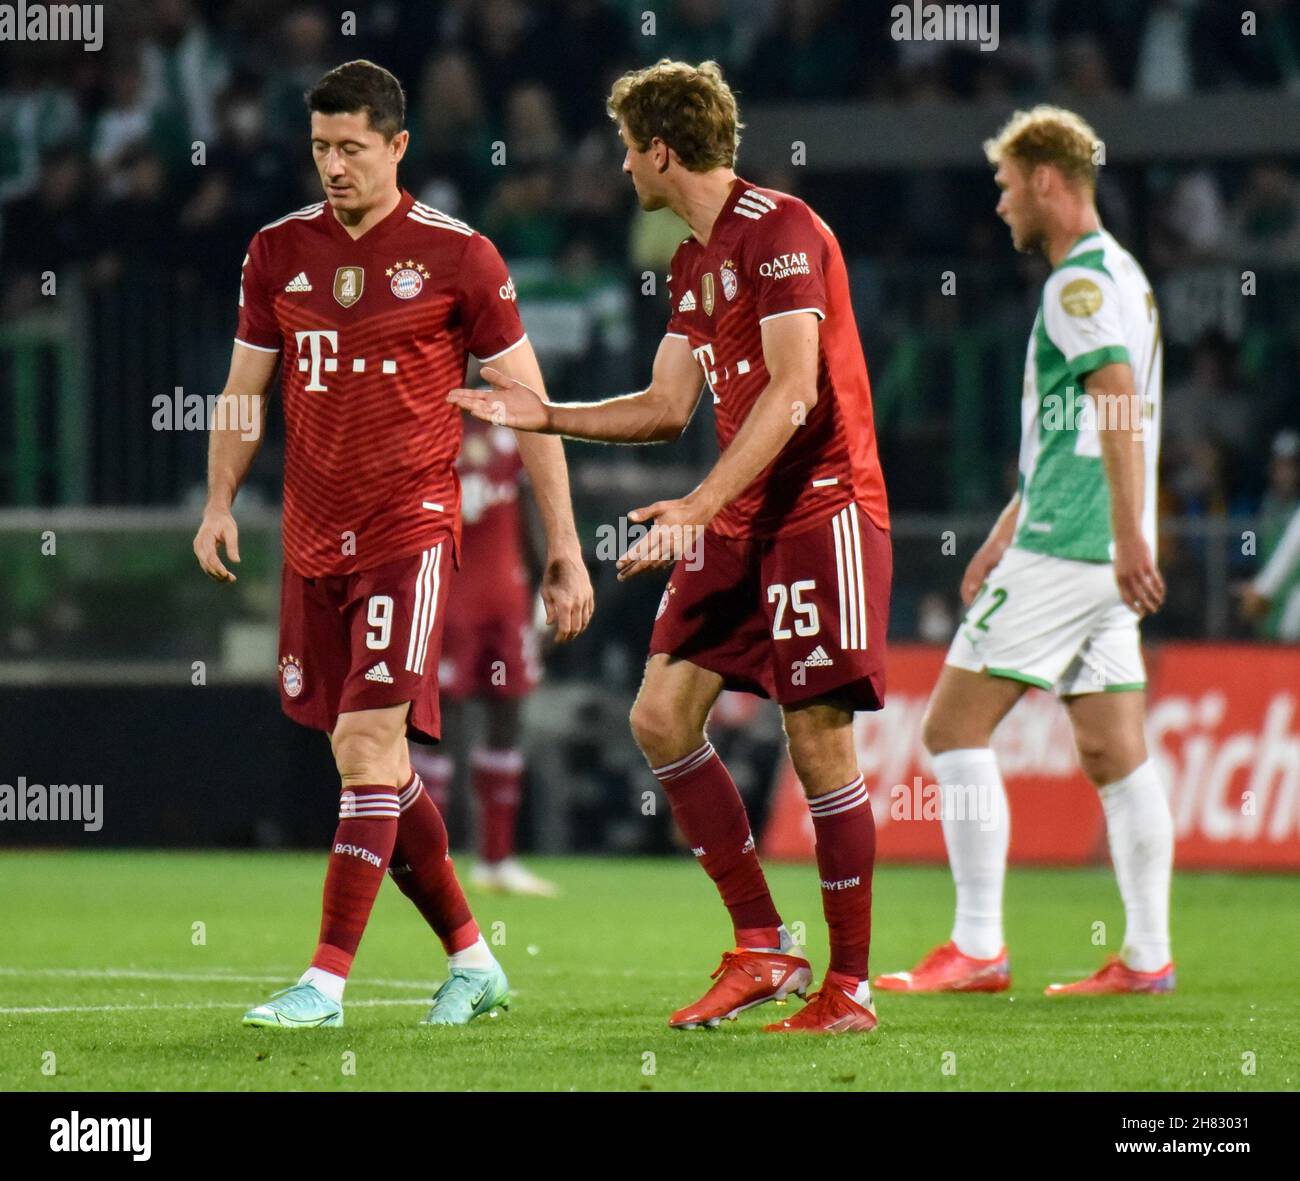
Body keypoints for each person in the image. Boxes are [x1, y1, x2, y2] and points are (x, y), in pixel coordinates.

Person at [451, 59, 891, 1034]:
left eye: (623, 148)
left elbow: (793, 392)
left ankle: (849, 988)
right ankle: (764, 943)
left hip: (821, 510)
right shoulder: (697, 258)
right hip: (737, 517)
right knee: (658, 714)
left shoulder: (781, 229)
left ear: (659, 148)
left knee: (817, 740)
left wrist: (695, 502)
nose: (617, 168)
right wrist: (545, 412)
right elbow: (663, 406)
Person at [192, 59, 592, 1029]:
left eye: (352, 149)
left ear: (397, 147)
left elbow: (529, 410)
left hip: (409, 532)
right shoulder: (276, 251)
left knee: (369, 741)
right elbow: (245, 390)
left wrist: (564, 547)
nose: (333, 165)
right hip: (308, 539)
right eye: (320, 147)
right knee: (367, 757)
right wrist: (217, 502)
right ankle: (473, 958)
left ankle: (324, 982)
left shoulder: (460, 256)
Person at [875, 106, 1174, 998]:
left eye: (1007, 184)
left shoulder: (1074, 285)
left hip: (1076, 545)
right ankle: (1148, 955)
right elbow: (1073, 430)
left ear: (1047, 178)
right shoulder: (1125, 275)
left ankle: (976, 946)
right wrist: (1005, 530)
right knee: (1116, 752)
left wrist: (1119, 535)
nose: (1001, 203)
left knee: (951, 729)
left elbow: (1115, 397)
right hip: (1081, 539)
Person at [407, 415, 559, 896]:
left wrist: (547, 580)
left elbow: (530, 508)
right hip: (448, 595)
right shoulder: (425, 421)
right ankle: (425, 859)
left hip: (505, 599)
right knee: (439, 725)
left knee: (508, 711)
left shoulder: (511, 426)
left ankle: (497, 860)